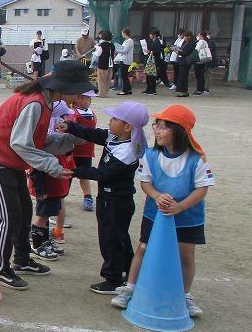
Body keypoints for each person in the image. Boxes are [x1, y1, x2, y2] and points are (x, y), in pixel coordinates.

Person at [0, 60, 95, 289]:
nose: (79, 95)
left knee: (24, 210)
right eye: (78, 90)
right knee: (8, 216)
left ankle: (22, 259)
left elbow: (36, 140)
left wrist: (70, 140)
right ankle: (0, 268)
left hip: (10, 159)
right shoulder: (36, 103)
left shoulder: (47, 100)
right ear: (65, 86)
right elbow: (21, 143)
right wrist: (53, 166)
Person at [112, 104, 214, 316]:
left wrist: (181, 206)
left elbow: (202, 188)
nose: (156, 130)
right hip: (155, 215)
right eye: (156, 125)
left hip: (188, 217)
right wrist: (157, 196)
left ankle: (185, 295)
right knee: (143, 249)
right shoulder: (150, 156)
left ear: (179, 130)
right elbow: (145, 183)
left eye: (163, 126)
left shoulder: (196, 159)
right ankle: (130, 287)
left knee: (186, 255)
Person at [58, 102, 149, 294]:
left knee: (111, 239)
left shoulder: (128, 150)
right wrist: (71, 126)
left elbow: (103, 174)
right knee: (119, 237)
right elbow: (94, 134)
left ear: (127, 127)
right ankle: (130, 271)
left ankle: (113, 279)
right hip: (113, 199)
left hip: (115, 201)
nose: (110, 120)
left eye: (115, 118)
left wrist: (74, 171)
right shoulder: (116, 136)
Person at [27, 101, 75, 261]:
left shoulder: (57, 141)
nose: (66, 120)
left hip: (55, 188)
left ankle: (44, 240)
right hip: (47, 189)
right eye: (62, 117)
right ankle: (36, 243)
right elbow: (35, 169)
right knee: (42, 215)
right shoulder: (44, 143)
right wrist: (41, 191)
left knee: (46, 215)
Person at [68, 90, 97, 211]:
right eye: (87, 98)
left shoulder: (90, 112)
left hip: (87, 150)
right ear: (79, 98)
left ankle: (88, 196)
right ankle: (61, 196)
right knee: (68, 174)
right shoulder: (72, 112)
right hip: (74, 150)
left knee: (84, 175)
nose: (90, 100)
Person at [173, 31, 197, 98]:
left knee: (182, 76)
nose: (184, 38)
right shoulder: (185, 43)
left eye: (186, 36)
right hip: (181, 61)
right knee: (182, 76)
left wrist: (178, 52)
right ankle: (184, 90)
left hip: (186, 62)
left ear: (189, 36)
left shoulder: (191, 44)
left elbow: (185, 53)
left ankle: (181, 91)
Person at [94, 30, 115, 98]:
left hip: (103, 64)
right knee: (108, 80)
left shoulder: (102, 45)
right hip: (110, 64)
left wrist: (95, 50)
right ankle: (106, 93)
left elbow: (98, 54)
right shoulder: (112, 45)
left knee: (101, 80)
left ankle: (102, 94)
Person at [113, 28, 134, 95]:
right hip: (123, 59)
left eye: (122, 33)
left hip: (126, 60)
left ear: (124, 33)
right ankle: (128, 89)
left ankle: (125, 90)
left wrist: (116, 50)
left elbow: (125, 51)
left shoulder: (129, 41)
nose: (122, 34)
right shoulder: (126, 41)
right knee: (124, 75)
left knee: (124, 75)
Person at [193, 31, 212, 96]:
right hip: (203, 60)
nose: (197, 36)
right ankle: (201, 89)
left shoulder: (201, 41)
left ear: (201, 35)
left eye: (198, 35)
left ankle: (199, 89)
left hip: (199, 59)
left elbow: (196, 49)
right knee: (201, 75)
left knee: (199, 75)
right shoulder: (205, 42)